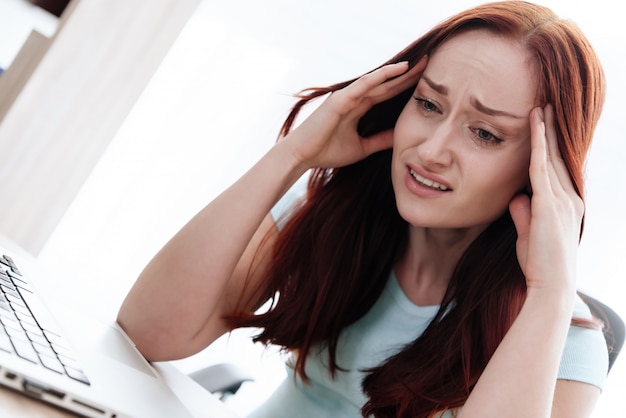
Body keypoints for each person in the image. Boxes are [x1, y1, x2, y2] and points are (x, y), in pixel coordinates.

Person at [117, 1, 609, 417]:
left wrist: (549, 291)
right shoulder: (337, 218)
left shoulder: (565, 342)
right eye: (429, 105)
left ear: (544, 170)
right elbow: (147, 334)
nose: (432, 150)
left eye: (485, 133)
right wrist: (292, 157)